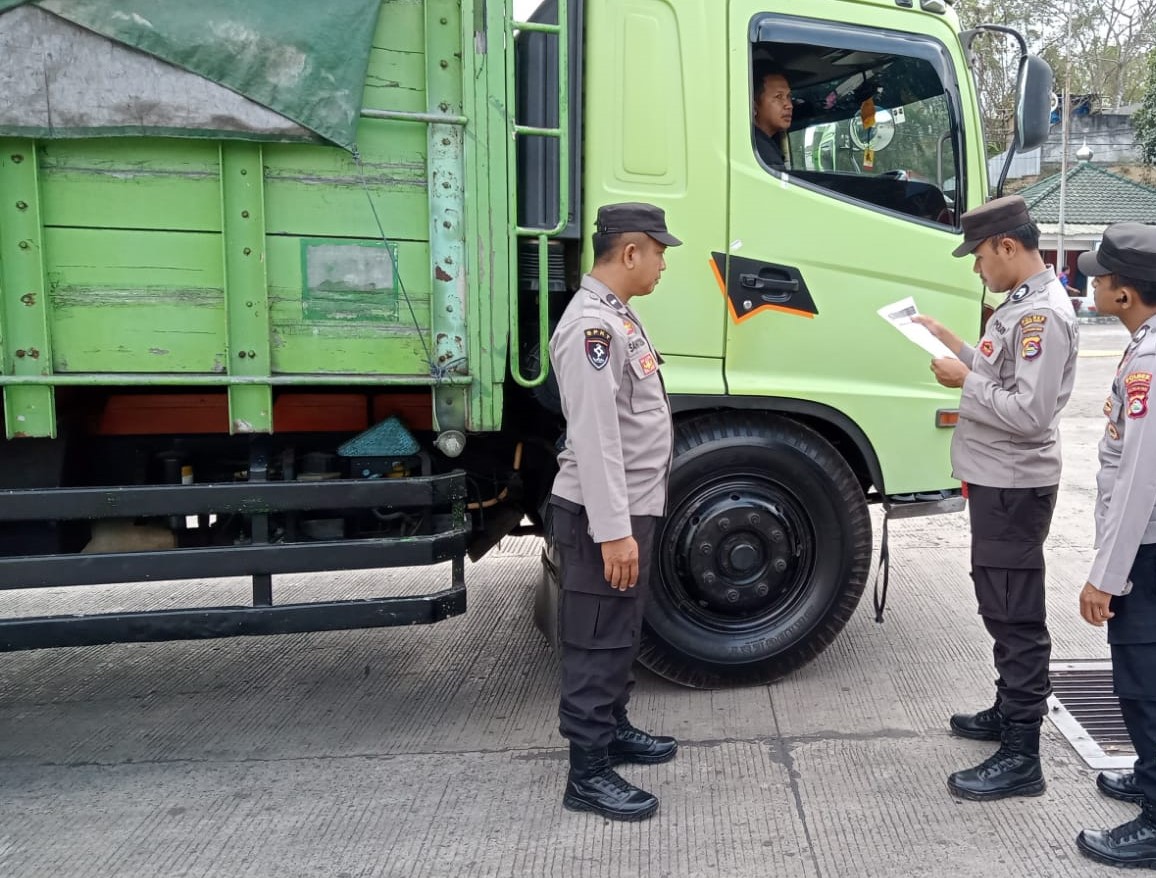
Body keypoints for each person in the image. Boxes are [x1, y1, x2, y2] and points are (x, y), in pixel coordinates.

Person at [914, 194, 1079, 800]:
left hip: (1015, 484)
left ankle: (1021, 753)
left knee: (1015, 614)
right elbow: (1002, 376)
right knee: (999, 602)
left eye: (980, 257)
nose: (977, 268)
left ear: (1008, 247)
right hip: (999, 483)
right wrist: (954, 344)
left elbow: (1029, 413)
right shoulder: (1022, 306)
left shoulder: (1043, 317)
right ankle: (1008, 707)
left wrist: (967, 383)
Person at [547, 202, 681, 821]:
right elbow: (597, 439)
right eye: (658, 253)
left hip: (628, 508)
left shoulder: (617, 318)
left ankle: (614, 727)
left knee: (619, 628)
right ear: (631, 252)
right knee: (595, 638)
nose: (661, 266)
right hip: (604, 514)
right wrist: (613, 533)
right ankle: (588, 772)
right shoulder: (591, 329)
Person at [1071, 223, 1156, 870]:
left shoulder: (1149, 363)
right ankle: (1149, 774)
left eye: (1100, 277)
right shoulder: (1142, 347)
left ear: (1125, 294)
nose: (1091, 282)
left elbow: (1138, 482)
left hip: (1146, 552)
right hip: (1146, 547)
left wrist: (1106, 576)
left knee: (1140, 681)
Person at [753, 65, 792, 171]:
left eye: (788, 96)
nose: (789, 105)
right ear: (754, 106)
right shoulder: (762, 154)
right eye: (778, 97)